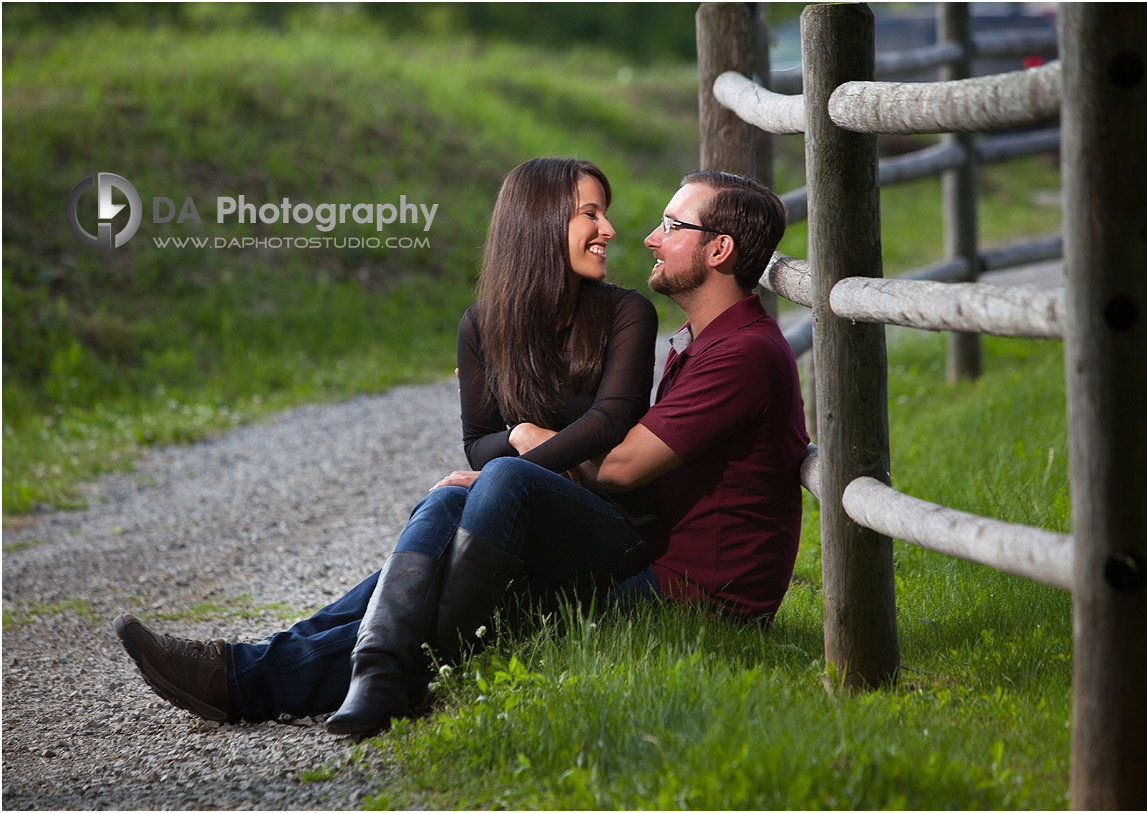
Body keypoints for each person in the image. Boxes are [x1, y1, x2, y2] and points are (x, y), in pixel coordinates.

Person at [115, 168, 810, 738]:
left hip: (689, 597)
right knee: (457, 500)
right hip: (662, 569)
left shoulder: (739, 353)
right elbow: (605, 446)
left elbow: (624, 462)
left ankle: (279, 676)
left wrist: (526, 444)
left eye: (672, 225)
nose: (649, 238)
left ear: (718, 251)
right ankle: (284, 670)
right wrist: (512, 459)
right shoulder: (709, 342)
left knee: (493, 494)